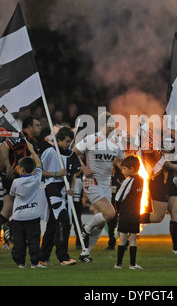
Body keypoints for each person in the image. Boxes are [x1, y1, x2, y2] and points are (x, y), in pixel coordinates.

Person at [0, 116, 42, 252]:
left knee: (8, 209)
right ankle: (9, 227)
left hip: (19, 177)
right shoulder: (21, 138)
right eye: (37, 125)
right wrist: (8, 166)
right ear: (29, 127)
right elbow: (3, 148)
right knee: (16, 208)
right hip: (14, 177)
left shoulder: (32, 142)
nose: (40, 128)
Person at [73, 112, 126, 262]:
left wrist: (126, 166)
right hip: (92, 181)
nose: (112, 127)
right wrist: (83, 168)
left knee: (101, 221)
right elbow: (74, 153)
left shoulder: (116, 142)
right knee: (110, 213)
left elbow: (122, 161)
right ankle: (86, 229)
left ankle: (85, 253)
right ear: (102, 125)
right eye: (110, 125)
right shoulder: (91, 139)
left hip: (106, 183)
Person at [38, 126, 81, 266]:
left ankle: (43, 257)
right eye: (67, 141)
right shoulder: (50, 152)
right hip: (52, 188)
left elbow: (73, 174)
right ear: (59, 140)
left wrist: (72, 188)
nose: (69, 144)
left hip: (64, 190)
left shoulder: (71, 155)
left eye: (70, 141)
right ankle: (63, 256)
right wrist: (56, 174)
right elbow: (39, 171)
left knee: (53, 224)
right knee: (63, 220)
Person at [9, 142, 45, 268]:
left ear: (22, 169)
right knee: (34, 241)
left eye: (18, 167)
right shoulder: (36, 179)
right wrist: (32, 151)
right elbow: (39, 164)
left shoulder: (16, 182)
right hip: (33, 216)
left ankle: (20, 263)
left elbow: (12, 194)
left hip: (18, 217)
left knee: (19, 241)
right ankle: (35, 263)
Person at [114, 155, 144, 269]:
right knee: (133, 238)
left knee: (122, 238)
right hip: (136, 213)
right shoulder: (141, 180)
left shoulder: (128, 181)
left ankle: (119, 264)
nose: (122, 171)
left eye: (124, 169)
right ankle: (133, 264)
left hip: (125, 213)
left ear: (131, 169)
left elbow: (118, 197)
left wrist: (118, 211)